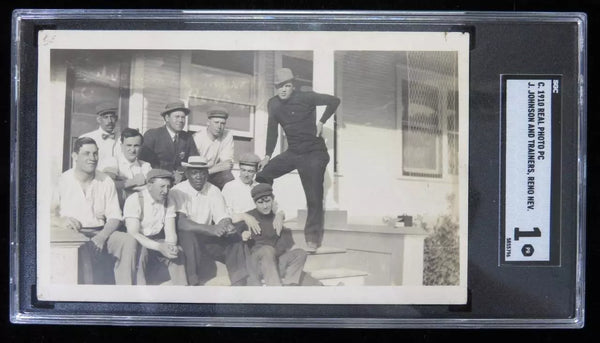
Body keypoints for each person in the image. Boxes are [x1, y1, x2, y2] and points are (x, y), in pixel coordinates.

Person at [256, 68, 341, 252]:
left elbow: (334, 101)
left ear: (292, 86)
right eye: (279, 87)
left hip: (314, 152)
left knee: (313, 196)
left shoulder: (306, 97)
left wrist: (322, 121)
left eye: (287, 86)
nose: (283, 90)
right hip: (294, 152)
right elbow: (272, 131)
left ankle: (312, 237)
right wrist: (268, 156)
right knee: (263, 175)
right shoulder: (273, 104)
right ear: (275, 88)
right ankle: (268, 217)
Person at [50, 137, 138, 284]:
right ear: (75, 156)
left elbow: (115, 216)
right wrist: (61, 221)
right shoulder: (63, 180)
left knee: (127, 240)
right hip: (74, 235)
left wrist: (101, 237)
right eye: (87, 154)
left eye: (95, 154)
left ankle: (125, 291)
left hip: (100, 231)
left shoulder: (105, 180)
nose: (92, 158)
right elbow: (47, 214)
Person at [167, 156, 248, 286]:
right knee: (188, 235)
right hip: (186, 237)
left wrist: (226, 226)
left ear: (207, 174)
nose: (199, 176)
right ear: (187, 174)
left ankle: (239, 281)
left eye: (202, 172)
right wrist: (211, 229)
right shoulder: (178, 190)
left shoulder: (213, 190)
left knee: (234, 236)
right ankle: (193, 282)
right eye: (194, 172)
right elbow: (181, 223)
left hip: (207, 238)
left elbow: (222, 216)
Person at [123, 169, 187, 285]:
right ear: (150, 186)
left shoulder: (169, 201)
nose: (165, 191)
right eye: (162, 186)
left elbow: (170, 232)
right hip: (138, 241)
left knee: (178, 252)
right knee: (140, 254)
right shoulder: (134, 200)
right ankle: (140, 294)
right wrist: (159, 247)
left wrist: (171, 246)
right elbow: (133, 233)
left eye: (168, 187)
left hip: (157, 239)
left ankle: (181, 290)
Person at [240, 183, 307, 286]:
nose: (265, 206)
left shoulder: (276, 219)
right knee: (268, 249)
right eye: (260, 203)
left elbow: (282, 247)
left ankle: (291, 286)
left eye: (268, 201)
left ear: (273, 199)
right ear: (255, 203)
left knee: (300, 253)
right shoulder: (249, 217)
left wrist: (281, 215)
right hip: (256, 265)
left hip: (273, 263)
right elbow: (233, 230)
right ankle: (276, 291)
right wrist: (243, 235)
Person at [222, 152, 286, 237]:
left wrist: (279, 215)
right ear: (240, 169)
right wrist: (244, 216)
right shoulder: (229, 187)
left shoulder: (259, 186)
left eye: (250, 171)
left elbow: (276, 207)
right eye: (243, 170)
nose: (246, 174)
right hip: (238, 230)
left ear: (256, 172)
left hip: (259, 229)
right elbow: (224, 215)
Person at [139, 101, 199, 183]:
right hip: (156, 181)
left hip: (180, 182)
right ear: (167, 118)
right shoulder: (153, 135)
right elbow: (143, 163)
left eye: (183, 117)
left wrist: (182, 174)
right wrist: (169, 175)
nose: (181, 120)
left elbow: (194, 162)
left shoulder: (187, 138)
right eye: (177, 117)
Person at [192, 106, 236, 190]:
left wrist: (211, 170)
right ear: (208, 122)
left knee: (228, 179)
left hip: (213, 174)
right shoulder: (198, 138)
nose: (219, 126)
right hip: (197, 174)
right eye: (216, 122)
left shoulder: (227, 135)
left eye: (222, 123)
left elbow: (227, 164)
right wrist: (217, 167)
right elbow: (195, 167)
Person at [106, 128, 152, 206]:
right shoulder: (113, 161)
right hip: (117, 208)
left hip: (140, 207)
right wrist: (134, 182)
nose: (132, 150)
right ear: (121, 146)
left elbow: (152, 187)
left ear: (141, 147)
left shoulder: (145, 166)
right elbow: (107, 185)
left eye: (136, 146)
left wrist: (122, 184)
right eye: (129, 145)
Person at [80, 102, 121, 173]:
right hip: (97, 179)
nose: (110, 121)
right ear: (99, 120)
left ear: (116, 119)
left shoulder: (123, 138)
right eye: (106, 117)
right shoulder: (87, 138)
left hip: (120, 179)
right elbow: (80, 165)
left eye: (112, 117)